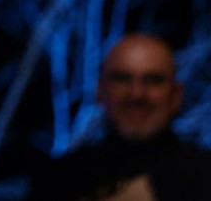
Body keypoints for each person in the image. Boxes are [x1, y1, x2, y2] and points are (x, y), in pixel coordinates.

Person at [28, 33, 211, 201]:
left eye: (153, 80)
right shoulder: (57, 181)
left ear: (176, 94)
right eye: (122, 78)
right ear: (100, 90)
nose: (136, 93)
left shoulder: (205, 176)